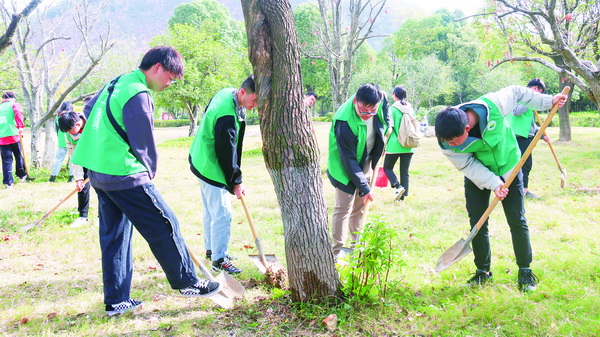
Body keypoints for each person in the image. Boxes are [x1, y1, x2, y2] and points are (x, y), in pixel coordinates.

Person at [71, 46, 221, 316]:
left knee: (115, 235)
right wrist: (148, 173)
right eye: (170, 78)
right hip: (124, 173)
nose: (169, 84)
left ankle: (116, 300)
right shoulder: (138, 94)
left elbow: (90, 107)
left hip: (98, 172)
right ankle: (188, 282)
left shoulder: (116, 82)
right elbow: (144, 143)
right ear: (157, 68)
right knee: (165, 223)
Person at [435, 85, 567, 292]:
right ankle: (482, 272)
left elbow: (518, 93)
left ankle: (525, 270)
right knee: (477, 222)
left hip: (510, 167)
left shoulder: (492, 105)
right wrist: (494, 183)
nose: (451, 145)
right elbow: (467, 165)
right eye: (447, 142)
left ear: (467, 129)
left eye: (454, 141)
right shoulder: (445, 142)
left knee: (517, 220)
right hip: (478, 175)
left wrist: (548, 101)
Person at [188, 75, 257, 275]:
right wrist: (236, 182)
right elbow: (227, 151)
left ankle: (211, 249)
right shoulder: (226, 114)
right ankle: (219, 259)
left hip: (201, 157)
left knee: (211, 210)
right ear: (243, 92)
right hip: (209, 163)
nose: (255, 106)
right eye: (254, 100)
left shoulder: (227, 92)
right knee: (222, 213)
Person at [327, 83, 390, 258]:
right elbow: (348, 160)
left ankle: (357, 248)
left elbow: (386, 110)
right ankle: (337, 252)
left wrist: (389, 125)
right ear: (356, 101)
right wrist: (364, 187)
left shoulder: (381, 98)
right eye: (363, 110)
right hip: (344, 166)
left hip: (367, 160)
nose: (367, 115)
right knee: (343, 208)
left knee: (360, 207)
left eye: (372, 111)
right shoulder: (344, 121)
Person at [509, 78, 550, 199]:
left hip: (525, 137)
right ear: (536, 89)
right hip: (517, 136)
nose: (540, 95)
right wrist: (531, 101)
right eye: (540, 92)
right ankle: (522, 191)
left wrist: (542, 135)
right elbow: (516, 112)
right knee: (523, 164)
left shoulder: (528, 103)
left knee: (526, 164)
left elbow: (531, 125)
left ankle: (522, 189)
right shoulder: (521, 98)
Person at [57, 111, 91, 228]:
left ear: (78, 124)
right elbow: (74, 156)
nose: (69, 134)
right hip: (83, 159)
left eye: (70, 130)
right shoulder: (68, 134)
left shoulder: (92, 125)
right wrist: (78, 178)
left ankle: (101, 217)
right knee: (82, 188)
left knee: (103, 188)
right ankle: (82, 216)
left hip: (99, 158)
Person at [383, 86, 414, 201]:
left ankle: (397, 186)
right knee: (404, 171)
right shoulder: (411, 109)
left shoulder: (392, 110)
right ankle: (402, 198)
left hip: (395, 144)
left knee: (387, 167)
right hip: (409, 145)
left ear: (395, 95)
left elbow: (388, 128)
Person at [0, 91, 26, 189]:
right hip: (13, 135)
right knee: (18, 155)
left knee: (6, 160)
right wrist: (20, 126)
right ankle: (21, 175)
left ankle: (8, 183)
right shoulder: (14, 104)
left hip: (2, 137)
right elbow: (18, 113)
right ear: (13, 98)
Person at [49, 101, 75, 182]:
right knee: (72, 159)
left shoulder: (58, 116)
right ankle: (71, 177)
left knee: (58, 159)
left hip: (62, 140)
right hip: (71, 139)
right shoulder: (72, 116)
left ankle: (53, 176)